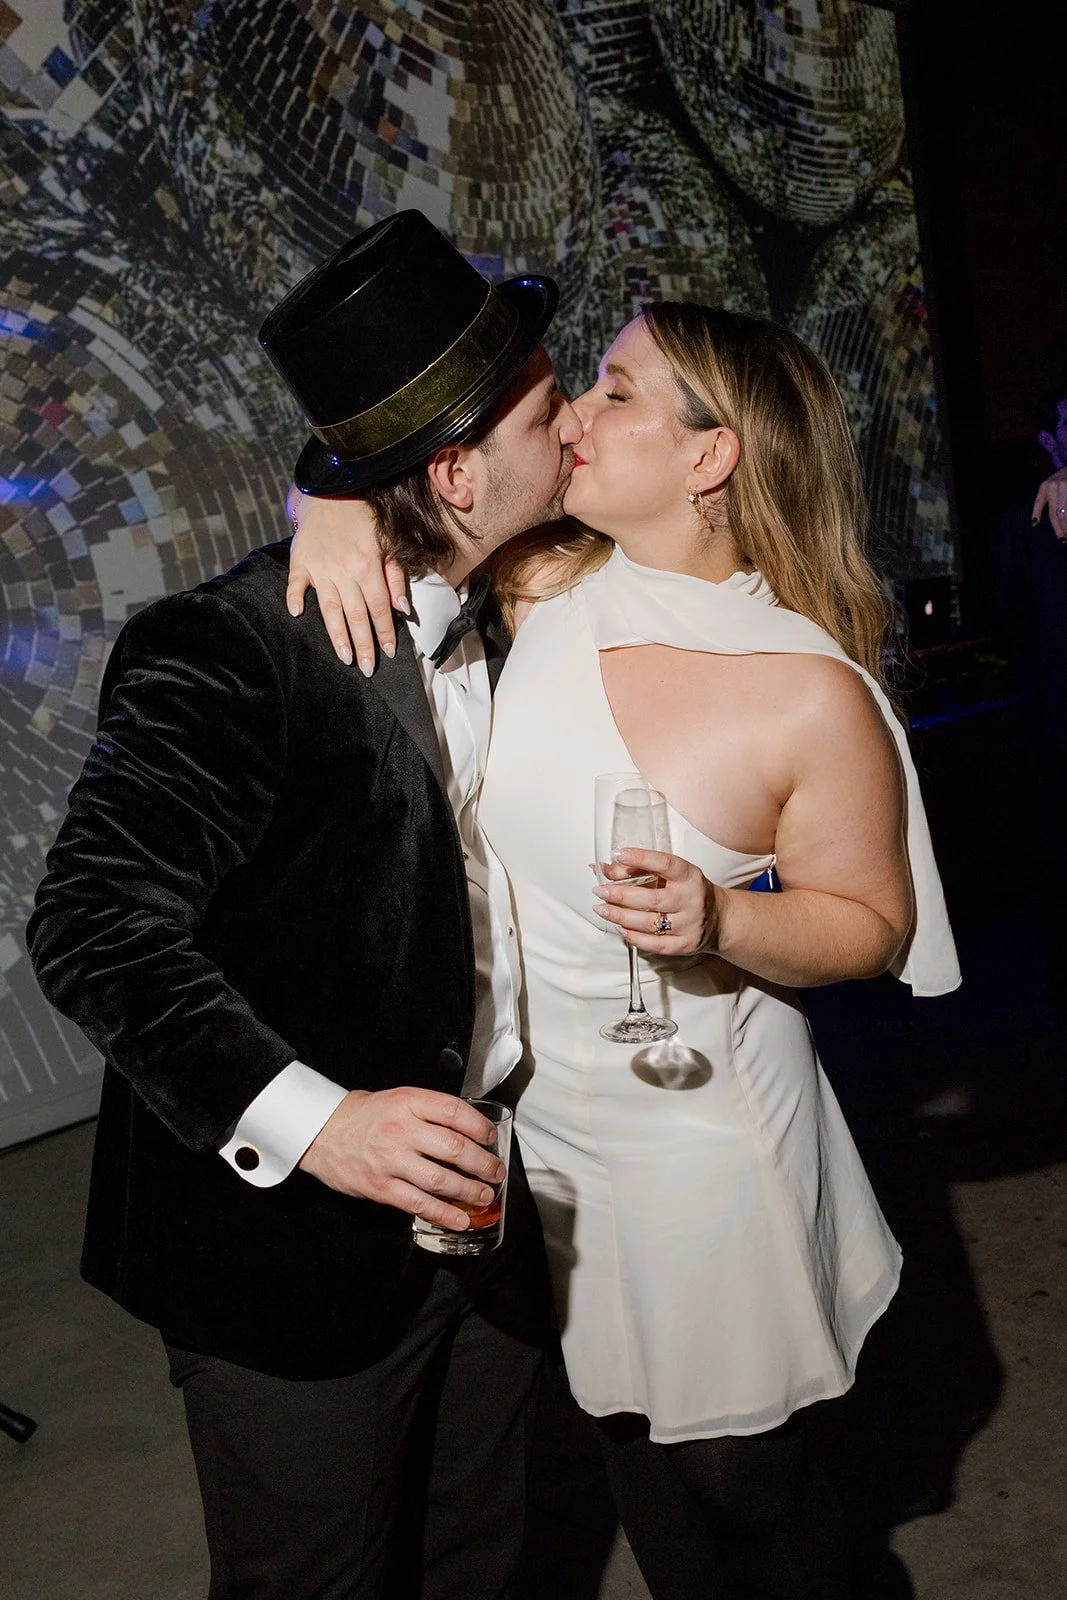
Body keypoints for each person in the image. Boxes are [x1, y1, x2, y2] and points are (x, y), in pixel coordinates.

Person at [286, 301, 961, 1599]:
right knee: (638, 1470)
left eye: (613, 390)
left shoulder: (801, 689)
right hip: (552, 1134)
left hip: (700, 1143)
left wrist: (724, 920)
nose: (573, 418)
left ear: (709, 458)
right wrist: (327, 496)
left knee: (744, 1495)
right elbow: (415, 507)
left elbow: (867, 924)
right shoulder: (549, 583)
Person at [26, 211, 585, 1600]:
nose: (570, 415)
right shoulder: (230, 648)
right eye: (542, 394)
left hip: (495, 1208)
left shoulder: (531, 599)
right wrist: (317, 1122)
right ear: (456, 469)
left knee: (481, 1561)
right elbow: (91, 923)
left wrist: (334, 482)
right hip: (285, 1264)